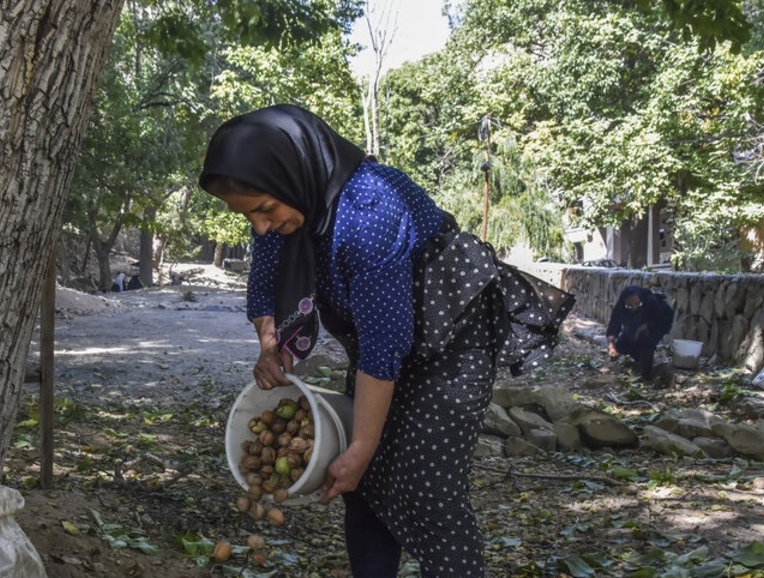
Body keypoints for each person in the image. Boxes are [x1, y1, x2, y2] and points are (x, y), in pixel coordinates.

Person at [198, 104, 574, 578]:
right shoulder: (288, 201)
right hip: (384, 344)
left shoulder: (368, 208)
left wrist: (361, 447)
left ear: (292, 176)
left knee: (428, 491)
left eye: (265, 211)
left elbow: (382, 345)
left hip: (452, 338)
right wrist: (270, 346)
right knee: (366, 487)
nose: (260, 225)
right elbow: (267, 277)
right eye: (248, 216)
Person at [606, 285, 674, 380]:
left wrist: (646, 326)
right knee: (621, 345)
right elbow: (613, 327)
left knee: (645, 340)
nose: (633, 308)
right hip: (635, 326)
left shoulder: (650, 300)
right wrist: (611, 346)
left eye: (637, 304)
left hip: (655, 325)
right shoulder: (620, 307)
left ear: (641, 299)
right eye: (629, 305)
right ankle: (638, 358)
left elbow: (661, 319)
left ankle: (646, 375)